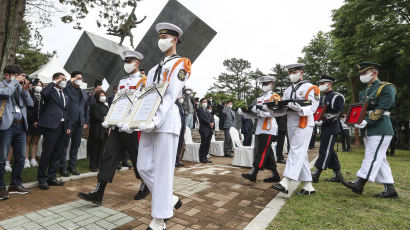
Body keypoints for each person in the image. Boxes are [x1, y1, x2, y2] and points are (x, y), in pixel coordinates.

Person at [136, 22, 190, 230]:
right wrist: (135, 120)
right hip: (149, 121)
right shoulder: (152, 69)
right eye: (159, 37)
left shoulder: (181, 64)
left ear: (174, 40)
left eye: (164, 37)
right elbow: (145, 97)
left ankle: (159, 219)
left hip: (166, 122)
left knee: (163, 170)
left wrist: (155, 120)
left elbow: (169, 97)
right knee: (142, 166)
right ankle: (170, 199)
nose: (161, 41)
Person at [77, 50, 149, 204]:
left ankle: (146, 185)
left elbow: (144, 104)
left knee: (138, 158)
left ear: (137, 63)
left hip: (132, 127)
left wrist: (133, 122)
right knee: (108, 156)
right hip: (118, 126)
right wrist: (110, 120)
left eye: (130, 61)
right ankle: (98, 192)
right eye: (125, 61)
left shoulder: (144, 80)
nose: (127, 64)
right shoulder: (123, 81)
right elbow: (117, 102)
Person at [342, 62, 398, 198]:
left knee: (372, 157)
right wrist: (353, 119)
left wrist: (368, 120)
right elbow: (362, 110)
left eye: (364, 73)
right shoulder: (364, 91)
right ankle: (390, 188)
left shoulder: (386, 87)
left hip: (381, 127)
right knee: (380, 158)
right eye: (361, 73)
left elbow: (383, 107)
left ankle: (359, 182)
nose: (362, 76)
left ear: (374, 73)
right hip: (368, 129)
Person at [271, 63, 320, 195]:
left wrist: (299, 108)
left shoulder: (311, 88)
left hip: (304, 122)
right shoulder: (287, 90)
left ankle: (286, 181)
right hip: (291, 123)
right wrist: (274, 110)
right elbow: (284, 109)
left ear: (301, 73)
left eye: (294, 72)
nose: (292, 75)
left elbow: (313, 107)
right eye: (290, 73)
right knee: (300, 153)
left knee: (296, 150)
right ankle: (309, 186)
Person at [239, 76, 281, 183]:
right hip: (260, 128)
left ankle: (254, 173)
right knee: (268, 152)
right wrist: (244, 112)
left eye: (266, 84)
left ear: (272, 85)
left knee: (262, 151)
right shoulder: (259, 99)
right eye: (263, 84)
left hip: (269, 127)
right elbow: (254, 115)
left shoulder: (275, 97)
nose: (264, 86)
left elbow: (276, 113)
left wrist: (260, 112)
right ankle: (275, 175)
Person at [0, 65, 33, 199]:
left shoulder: (19, 87)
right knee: (1, 159)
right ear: (7, 75)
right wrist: (15, 82)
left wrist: (25, 91)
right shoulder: (2, 85)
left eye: (20, 75)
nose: (19, 78)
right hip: (6, 126)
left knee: (20, 158)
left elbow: (30, 104)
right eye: (16, 75)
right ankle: (1, 187)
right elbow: (5, 94)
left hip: (20, 126)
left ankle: (15, 184)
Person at [37, 72, 70, 190]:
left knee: (58, 153)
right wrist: (53, 82)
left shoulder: (65, 95)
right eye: (62, 79)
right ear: (56, 80)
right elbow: (43, 93)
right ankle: (42, 178)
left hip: (62, 126)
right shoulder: (50, 92)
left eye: (65, 79)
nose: (64, 81)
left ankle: (52, 177)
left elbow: (67, 111)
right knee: (47, 153)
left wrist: (68, 126)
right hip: (51, 127)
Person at [311, 75, 345, 183]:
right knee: (330, 150)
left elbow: (337, 113)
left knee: (325, 149)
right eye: (320, 83)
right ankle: (338, 174)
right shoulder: (321, 97)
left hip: (331, 127)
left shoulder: (336, 96)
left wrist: (324, 121)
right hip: (324, 127)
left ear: (329, 84)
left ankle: (317, 172)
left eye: (322, 83)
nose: (320, 85)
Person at [60, 71, 89, 177]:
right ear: (72, 79)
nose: (79, 80)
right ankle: (62, 167)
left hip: (80, 123)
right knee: (64, 145)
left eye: (81, 78)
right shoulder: (67, 88)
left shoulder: (83, 92)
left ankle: (72, 166)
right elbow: (64, 87)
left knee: (75, 146)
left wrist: (86, 121)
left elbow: (86, 108)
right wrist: (69, 81)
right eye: (77, 78)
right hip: (69, 122)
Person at [88, 90, 109, 172]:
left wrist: (105, 118)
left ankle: (100, 165)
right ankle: (93, 166)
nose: (103, 97)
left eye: (104, 95)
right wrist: (104, 118)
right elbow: (96, 117)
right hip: (96, 129)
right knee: (94, 148)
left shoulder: (105, 106)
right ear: (97, 97)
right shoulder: (94, 106)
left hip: (104, 130)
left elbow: (108, 116)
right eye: (101, 95)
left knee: (102, 148)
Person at [25, 80, 44, 168]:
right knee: (27, 141)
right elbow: (28, 110)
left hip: (39, 123)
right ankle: (26, 160)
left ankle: (33, 159)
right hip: (30, 122)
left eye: (41, 85)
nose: (39, 87)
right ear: (33, 86)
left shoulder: (43, 97)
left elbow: (44, 110)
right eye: (37, 85)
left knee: (35, 142)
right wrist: (33, 121)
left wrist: (39, 121)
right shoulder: (29, 94)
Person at [197, 98, 214, 163]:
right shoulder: (199, 110)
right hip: (204, 129)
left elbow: (211, 117)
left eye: (206, 102)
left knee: (208, 144)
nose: (205, 103)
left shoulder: (207, 110)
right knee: (203, 144)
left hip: (209, 129)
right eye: (204, 102)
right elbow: (202, 118)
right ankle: (202, 158)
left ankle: (205, 157)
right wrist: (209, 123)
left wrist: (212, 122)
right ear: (201, 103)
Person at [175, 96, 185, 167]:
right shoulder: (175, 106)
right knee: (176, 145)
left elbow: (184, 119)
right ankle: (174, 161)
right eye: (180, 97)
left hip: (182, 128)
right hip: (177, 127)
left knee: (180, 145)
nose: (182, 99)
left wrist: (184, 128)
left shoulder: (182, 106)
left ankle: (177, 160)